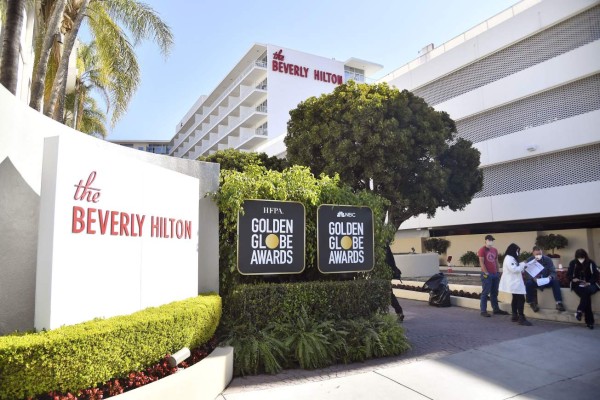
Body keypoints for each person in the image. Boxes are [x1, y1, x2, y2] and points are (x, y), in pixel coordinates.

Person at [499, 243, 532, 326]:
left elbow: (516, 267)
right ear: (513, 250)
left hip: (514, 282)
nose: (518, 253)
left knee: (515, 298)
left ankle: (514, 315)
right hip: (514, 283)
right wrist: (523, 264)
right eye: (517, 251)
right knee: (521, 299)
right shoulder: (509, 258)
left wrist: (522, 264)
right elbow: (514, 269)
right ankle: (521, 317)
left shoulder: (511, 258)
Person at [524, 246, 565, 312]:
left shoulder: (547, 259)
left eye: (540, 254)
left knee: (555, 281)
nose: (538, 256)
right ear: (533, 253)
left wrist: (550, 277)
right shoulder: (529, 260)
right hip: (535, 281)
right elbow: (527, 274)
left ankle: (559, 303)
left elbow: (553, 271)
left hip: (546, 280)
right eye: (536, 254)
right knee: (528, 283)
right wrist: (534, 279)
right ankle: (531, 303)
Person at [567, 249, 599, 329]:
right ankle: (589, 322)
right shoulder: (573, 263)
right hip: (578, 285)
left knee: (586, 291)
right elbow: (569, 275)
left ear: (585, 256)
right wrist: (573, 279)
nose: (581, 259)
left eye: (582, 257)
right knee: (586, 297)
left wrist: (588, 283)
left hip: (591, 285)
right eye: (579, 258)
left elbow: (596, 275)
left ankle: (580, 311)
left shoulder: (591, 263)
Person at [477, 234, 509, 317]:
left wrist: (498, 272)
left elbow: (496, 261)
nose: (491, 241)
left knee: (494, 292)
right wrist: (486, 273)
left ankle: (496, 309)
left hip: (495, 274)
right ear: (486, 240)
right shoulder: (482, 250)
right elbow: (481, 262)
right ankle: (483, 311)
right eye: (489, 240)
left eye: (492, 240)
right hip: (487, 274)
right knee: (485, 292)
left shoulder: (495, 250)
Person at [386, 245, 404, 322]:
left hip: (383, 273)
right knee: (389, 294)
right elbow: (392, 261)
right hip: (385, 273)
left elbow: (390, 261)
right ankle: (399, 311)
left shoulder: (381, 246)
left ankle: (399, 312)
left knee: (389, 294)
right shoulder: (385, 246)